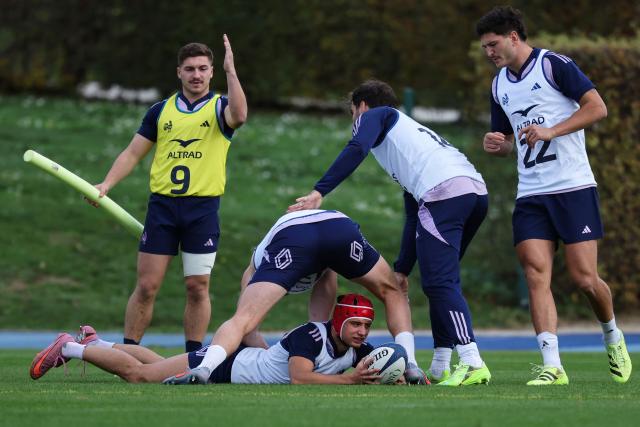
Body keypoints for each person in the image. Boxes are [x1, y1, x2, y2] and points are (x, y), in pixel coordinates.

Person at [288, 81, 491, 386]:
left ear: (363, 107)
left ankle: (473, 362)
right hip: (471, 193)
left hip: (444, 194)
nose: (354, 122)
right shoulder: (408, 140)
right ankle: (441, 366)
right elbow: (413, 211)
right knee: (438, 281)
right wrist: (402, 268)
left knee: (440, 282)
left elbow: (356, 148)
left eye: (353, 113)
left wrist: (320, 191)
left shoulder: (378, 114)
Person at [476, 6, 632, 385]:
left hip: (573, 187)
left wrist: (552, 131)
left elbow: (598, 108)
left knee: (584, 279)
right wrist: (500, 145)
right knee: (535, 273)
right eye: (484, 48)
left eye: (493, 45)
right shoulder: (499, 85)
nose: (489, 53)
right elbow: (510, 141)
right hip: (531, 193)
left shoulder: (553, 65)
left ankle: (611, 334)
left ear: (514, 37)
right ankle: (553, 366)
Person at [89, 36, 247, 352]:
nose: (196, 75)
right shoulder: (160, 111)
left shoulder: (219, 108)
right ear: (179, 72)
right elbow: (133, 153)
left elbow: (240, 116)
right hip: (162, 208)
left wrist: (232, 71)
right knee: (147, 286)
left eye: (203, 68)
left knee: (197, 287)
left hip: (201, 210)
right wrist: (105, 185)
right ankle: (129, 352)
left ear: (212, 72)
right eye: (190, 69)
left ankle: (192, 359)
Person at [163, 209, 428, 385]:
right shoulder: (271, 267)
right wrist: (278, 358)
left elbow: (248, 329)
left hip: (296, 235)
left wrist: (277, 359)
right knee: (393, 290)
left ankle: (204, 369)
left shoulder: (258, 265)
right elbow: (322, 328)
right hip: (339, 226)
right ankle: (412, 365)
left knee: (243, 317)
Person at [29, 294, 391, 385]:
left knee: (153, 364)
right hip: (224, 367)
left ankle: (98, 342)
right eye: (355, 324)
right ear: (339, 322)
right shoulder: (311, 336)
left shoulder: (360, 348)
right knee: (140, 376)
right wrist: (349, 379)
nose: (361, 331)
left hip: (232, 364)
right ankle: (71, 347)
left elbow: (389, 362)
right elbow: (300, 378)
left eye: (365, 325)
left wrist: (409, 374)